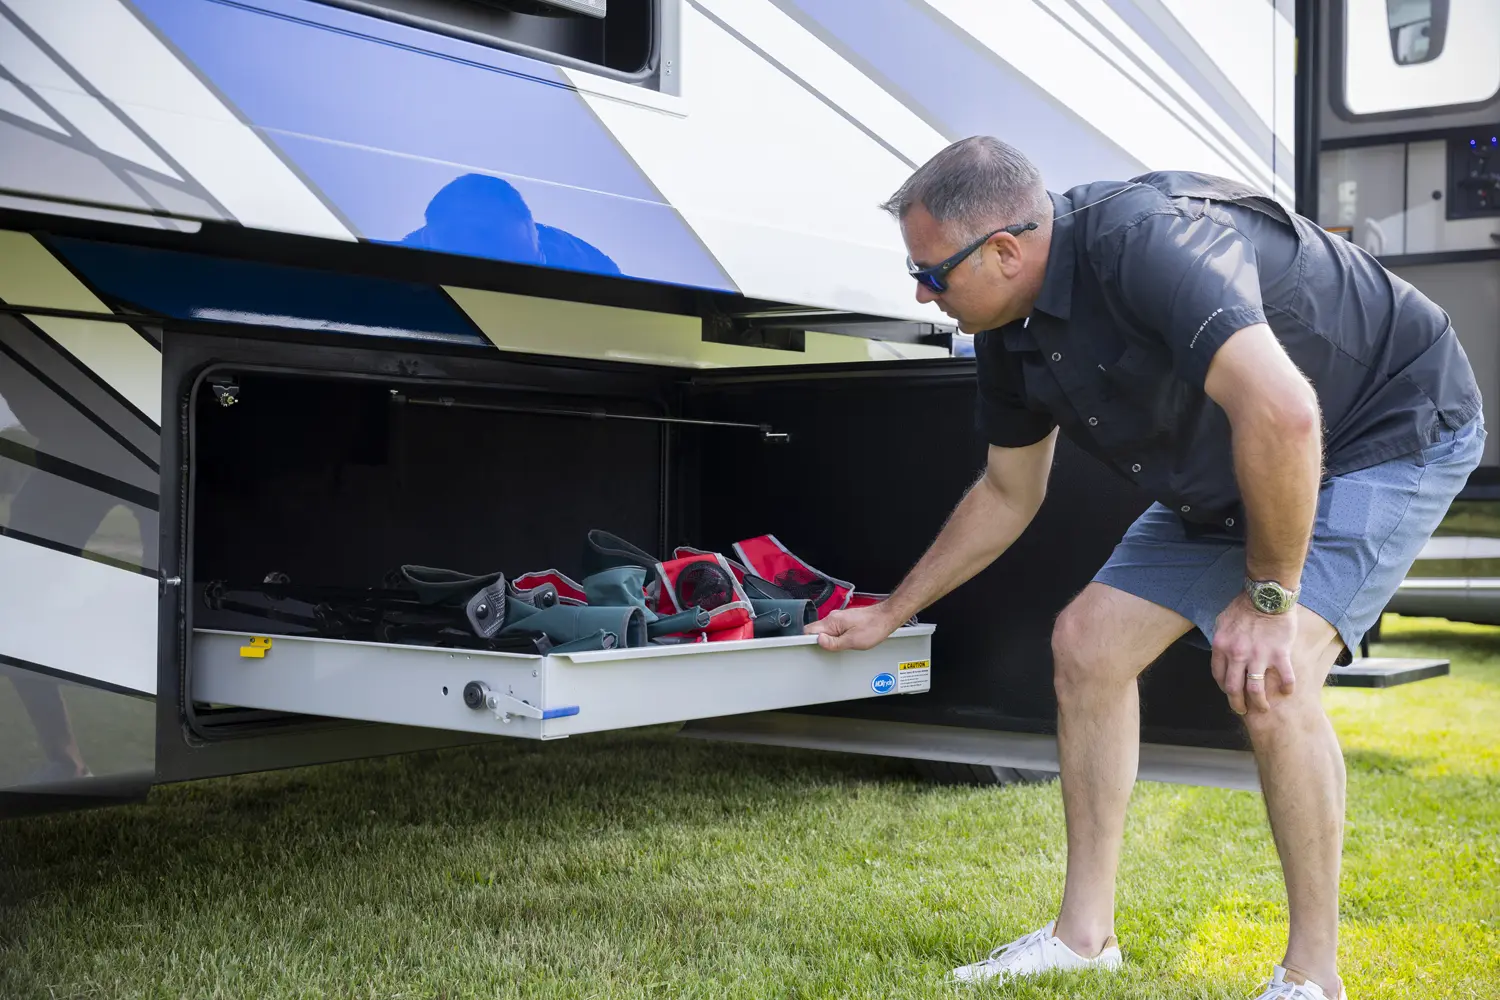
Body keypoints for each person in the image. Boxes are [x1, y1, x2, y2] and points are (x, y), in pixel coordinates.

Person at [806, 137, 1484, 999]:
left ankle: (1312, 977)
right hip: (1243, 457)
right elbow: (1008, 493)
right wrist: (890, 612)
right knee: (1088, 644)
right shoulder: (1007, 332)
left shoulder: (1150, 240)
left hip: (1382, 429)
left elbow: (1284, 413)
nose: (920, 294)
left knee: (1270, 679)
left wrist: (1269, 602)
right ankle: (1083, 939)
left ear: (1004, 250)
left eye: (931, 273)